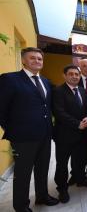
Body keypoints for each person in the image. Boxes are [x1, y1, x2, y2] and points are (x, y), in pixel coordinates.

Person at [0, 47, 59, 212]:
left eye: (40, 59)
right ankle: (21, 206)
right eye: (32, 58)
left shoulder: (45, 81)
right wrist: (13, 130)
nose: (37, 61)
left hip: (45, 135)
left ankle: (42, 196)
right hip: (23, 138)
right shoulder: (10, 79)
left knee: (42, 169)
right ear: (24, 60)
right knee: (23, 174)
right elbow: (2, 109)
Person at [53, 65, 87, 204]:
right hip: (64, 135)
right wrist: (77, 123)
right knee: (62, 164)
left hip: (81, 134)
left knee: (80, 159)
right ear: (64, 76)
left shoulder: (82, 91)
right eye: (71, 74)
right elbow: (59, 113)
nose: (74, 76)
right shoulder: (58, 91)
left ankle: (80, 178)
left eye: (77, 74)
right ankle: (62, 188)